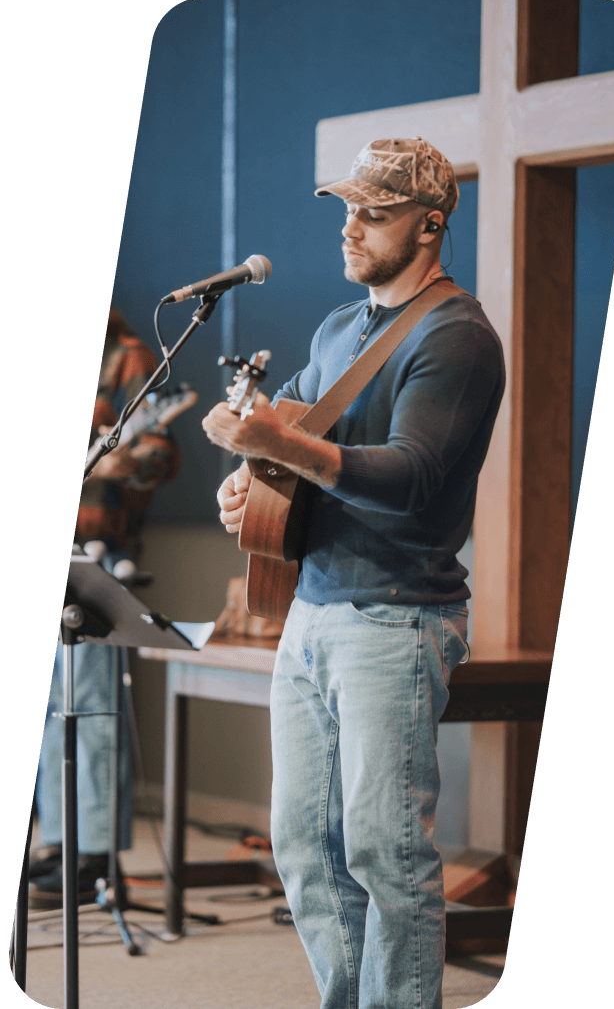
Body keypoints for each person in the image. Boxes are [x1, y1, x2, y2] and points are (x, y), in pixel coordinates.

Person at [202, 138, 505, 1009]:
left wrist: (276, 444)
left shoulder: (458, 337)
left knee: (385, 853)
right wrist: (243, 483)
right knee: (302, 847)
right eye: (345, 207)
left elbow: (411, 480)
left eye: (374, 212)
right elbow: (290, 422)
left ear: (430, 224)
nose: (351, 227)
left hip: (397, 620)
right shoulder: (338, 329)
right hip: (310, 612)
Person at [30, 306, 181, 909]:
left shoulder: (128, 355)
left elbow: (161, 453)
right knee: (51, 711)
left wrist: (121, 459)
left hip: (98, 551)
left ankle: (92, 851)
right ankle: (58, 840)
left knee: (88, 704)